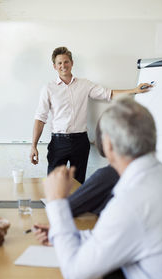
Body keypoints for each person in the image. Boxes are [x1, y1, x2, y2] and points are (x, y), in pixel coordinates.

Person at [41, 96, 162, 279]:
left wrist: (56, 201)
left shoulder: (133, 200)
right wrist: (67, 232)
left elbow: (74, 274)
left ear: (108, 145)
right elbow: (117, 233)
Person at [30, 46, 152, 183]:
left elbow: (109, 94)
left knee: (78, 184)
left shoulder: (84, 85)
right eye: (59, 63)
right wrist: (34, 145)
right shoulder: (48, 88)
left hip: (80, 141)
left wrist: (134, 90)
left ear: (71, 63)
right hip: (58, 143)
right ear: (54, 66)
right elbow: (40, 118)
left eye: (66, 62)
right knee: (54, 183)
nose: (63, 66)